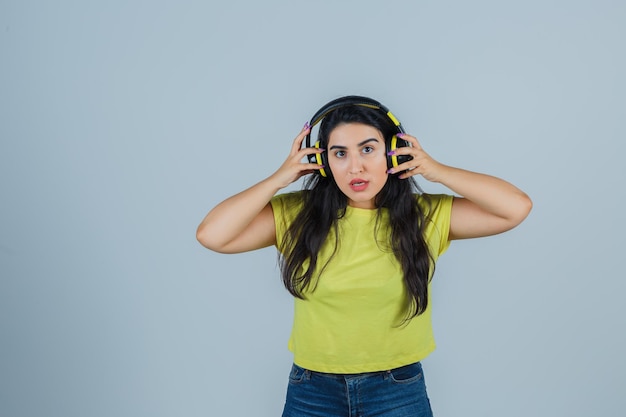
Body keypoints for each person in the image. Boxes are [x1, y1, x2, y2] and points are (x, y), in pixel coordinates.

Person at [196, 96, 532, 417]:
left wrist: (436, 169)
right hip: (313, 390)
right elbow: (212, 234)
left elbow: (516, 207)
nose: (354, 167)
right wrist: (280, 177)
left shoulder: (423, 215)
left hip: (396, 389)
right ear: (323, 162)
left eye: (368, 149)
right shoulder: (296, 215)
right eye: (339, 153)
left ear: (394, 152)